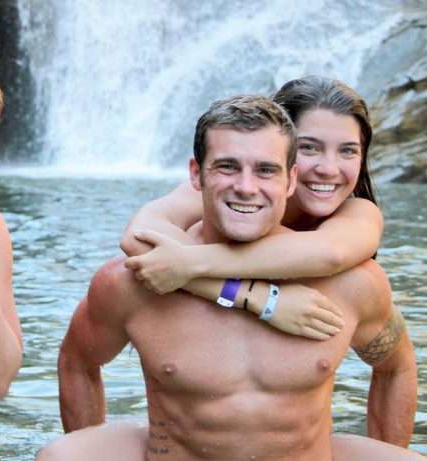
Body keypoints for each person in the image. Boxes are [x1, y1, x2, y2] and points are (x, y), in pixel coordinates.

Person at [39, 95, 422, 460]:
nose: (246, 187)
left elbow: (395, 368)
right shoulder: (134, 283)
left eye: (265, 170)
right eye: (227, 167)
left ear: (290, 181)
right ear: (196, 174)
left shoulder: (352, 284)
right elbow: (77, 362)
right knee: (59, 456)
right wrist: (262, 299)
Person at [120, 76, 385, 343]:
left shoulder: (357, 213)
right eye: (309, 147)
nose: (328, 168)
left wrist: (188, 265)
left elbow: (331, 254)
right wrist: (261, 299)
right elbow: (138, 235)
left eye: (348, 151)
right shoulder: (226, 188)